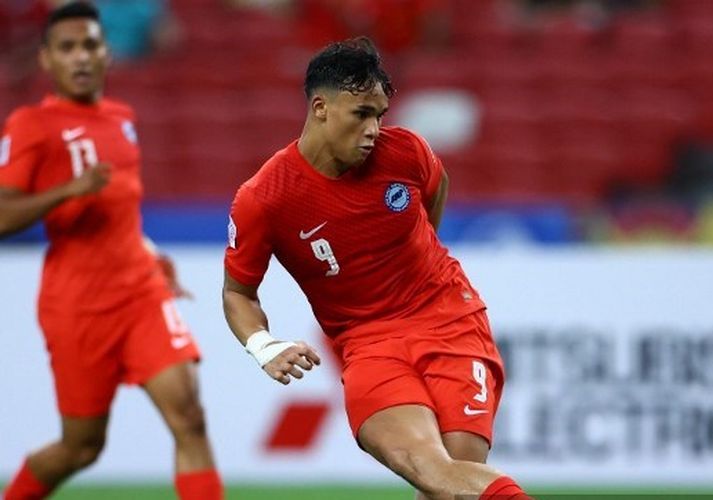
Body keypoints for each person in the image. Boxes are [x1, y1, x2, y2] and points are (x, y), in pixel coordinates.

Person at [222, 36, 531, 500]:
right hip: (367, 344)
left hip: (451, 322)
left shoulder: (405, 152)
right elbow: (238, 293)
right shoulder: (265, 198)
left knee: (451, 476)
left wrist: (419, 263)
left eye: (379, 115)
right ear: (321, 108)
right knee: (430, 470)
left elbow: (435, 192)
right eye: (361, 114)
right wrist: (264, 346)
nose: (373, 129)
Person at [0, 3, 223, 499]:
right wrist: (67, 191)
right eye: (67, 48)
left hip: (140, 293)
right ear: (46, 60)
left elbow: (120, 206)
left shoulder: (122, 119)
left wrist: (147, 250)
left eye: (90, 45)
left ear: (107, 54)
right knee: (81, 446)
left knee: (189, 416)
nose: (81, 57)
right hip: (77, 307)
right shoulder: (31, 126)